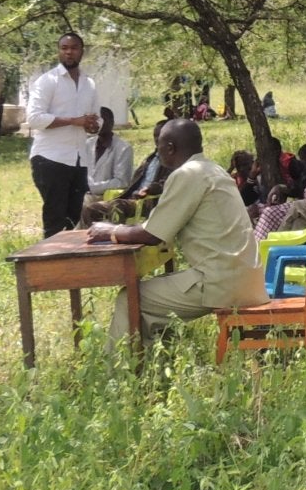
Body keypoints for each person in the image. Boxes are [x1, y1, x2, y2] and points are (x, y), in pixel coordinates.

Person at [87, 119, 264, 343]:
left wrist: (111, 230)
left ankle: (118, 364)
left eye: (159, 145)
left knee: (129, 298)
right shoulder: (213, 169)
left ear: (170, 148)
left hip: (220, 282)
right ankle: (156, 358)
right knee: (156, 294)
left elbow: (152, 234)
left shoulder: (187, 175)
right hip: (245, 278)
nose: (157, 151)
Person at [25, 32, 100, 236]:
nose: (69, 52)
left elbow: (97, 118)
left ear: (82, 51)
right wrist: (74, 121)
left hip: (79, 159)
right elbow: (34, 118)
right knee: (55, 218)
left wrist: (92, 126)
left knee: (74, 218)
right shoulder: (47, 81)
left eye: (74, 48)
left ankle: (70, 256)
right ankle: (49, 255)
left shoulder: (89, 84)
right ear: (59, 51)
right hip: (50, 158)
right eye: (64, 48)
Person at [83, 119, 168, 223]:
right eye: (155, 136)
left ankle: (115, 232)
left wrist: (149, 189)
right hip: (133, 198)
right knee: (91, 209)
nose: (156, 139)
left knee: (117, 206)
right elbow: (134, 181)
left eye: (160, 136)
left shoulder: (171, 161)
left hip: (149, 201)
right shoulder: (151, 158)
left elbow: (166, 183)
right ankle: (89, 233)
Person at [86, 108, 136, 198]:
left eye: (102, 120)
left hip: (106, 198)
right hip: (84, 194)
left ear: (112, 123)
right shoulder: (88, 144)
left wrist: (91, 188)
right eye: (96, 121)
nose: (98, 124)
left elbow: (122, 182)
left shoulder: (123, 148)